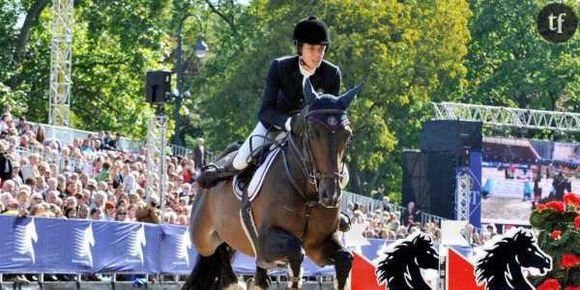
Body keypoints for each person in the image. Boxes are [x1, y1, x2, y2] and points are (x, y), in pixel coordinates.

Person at [198, 16, 350, 231]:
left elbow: (331, 116)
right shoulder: (279, 67)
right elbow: (265, 110)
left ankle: (335, 210)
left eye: (322, 49)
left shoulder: (331, 73)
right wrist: (288, 123)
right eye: (312, 49)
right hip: (277, 124)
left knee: (340, 172)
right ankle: (220, 170)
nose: (318, 55)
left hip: (311, 136)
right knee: (243, 159)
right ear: (300, 48)